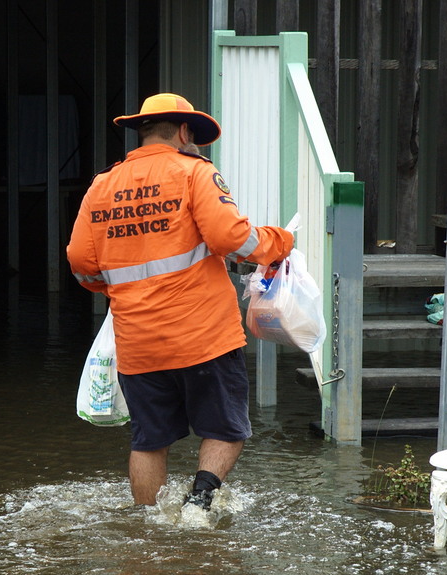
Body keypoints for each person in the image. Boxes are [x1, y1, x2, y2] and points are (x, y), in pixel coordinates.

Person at [67, 93, 293, 509]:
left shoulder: (102, 184)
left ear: (144, 131)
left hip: (137, 340)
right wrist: (280, 241)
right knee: (225, 428)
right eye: (196, 138)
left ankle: (147, 527)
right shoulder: (193, 172)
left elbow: (81, 263)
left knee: (149, 439)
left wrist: (125, 289)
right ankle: (199, 504)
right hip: (203, 335)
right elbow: (233, 239)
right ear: (185, 131)